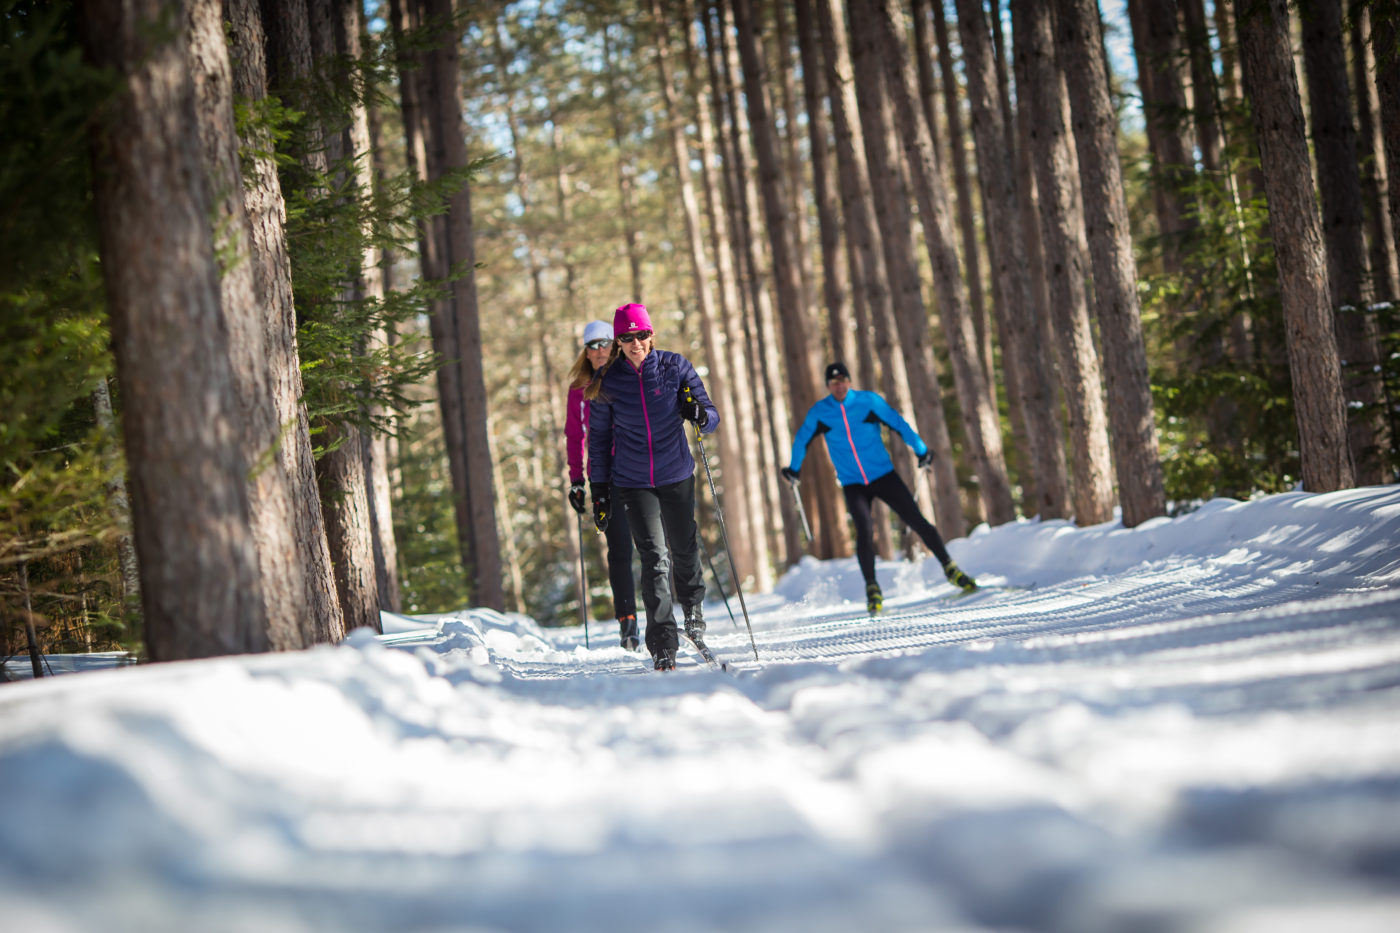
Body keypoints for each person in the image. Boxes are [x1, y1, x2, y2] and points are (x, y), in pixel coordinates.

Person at [586, 303, 720, 671]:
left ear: (652, 335)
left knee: (684, 547)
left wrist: (700, 415)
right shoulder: (607, 381)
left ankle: (693, 614)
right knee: (654, 559)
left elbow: (710, 415)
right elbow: (597, 440)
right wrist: (597, 488)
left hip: (675, 472)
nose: (635, 343)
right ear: (618, 341)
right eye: (626, 338)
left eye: (641, 335)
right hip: (632, 480)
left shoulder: (675, 367)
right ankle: (662, 641)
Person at [783, 362, 976, 615]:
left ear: (849, 381)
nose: (838, 386)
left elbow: (898, 424)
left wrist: (921, 450)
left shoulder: (868, 402)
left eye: (842, 380)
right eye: (833, 383)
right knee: (864, 530)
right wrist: (794, 468)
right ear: (828, 386)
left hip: (883, 475)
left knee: (916, 519)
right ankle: (872, 587)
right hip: (853, 482)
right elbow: (802, 439)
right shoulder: (821, 412)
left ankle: (950, 567)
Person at [565, 320, 640, 649]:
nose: (599, 351)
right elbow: (574, 436)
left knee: (653, 545)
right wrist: (577, 480)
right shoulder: (578, 389)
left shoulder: (627, 378)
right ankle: (628, 621)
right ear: (585, 351)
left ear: (615, 346)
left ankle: (664, 613)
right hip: (603, 478)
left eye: (605, 343)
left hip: (638, 469)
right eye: (592, 345)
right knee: (619, 548)